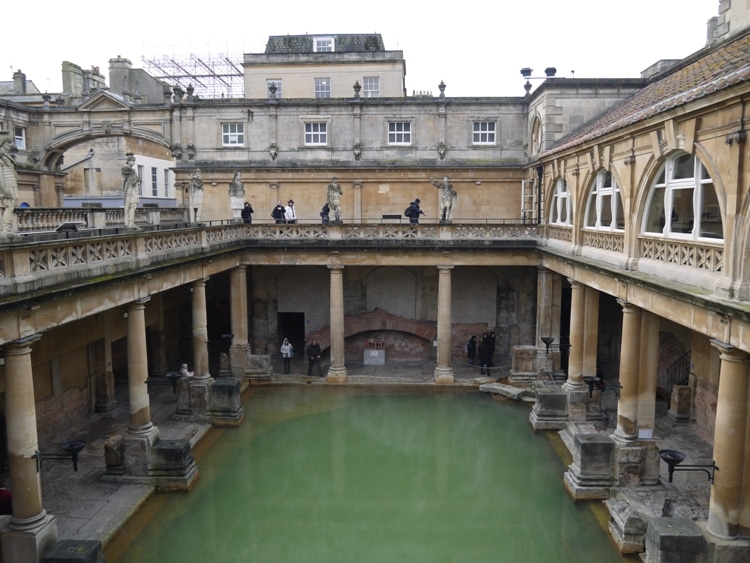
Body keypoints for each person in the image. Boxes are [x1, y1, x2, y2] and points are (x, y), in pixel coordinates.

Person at [0, 131, 19, 238]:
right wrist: (3, 189)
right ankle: (6, 228)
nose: (10, 145)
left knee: (7, 206)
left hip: (11, 183)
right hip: (5, 184)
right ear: (2, 142)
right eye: (8, 143)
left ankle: (4, 229)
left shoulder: (5, 156)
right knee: (8, 206)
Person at [121, 152, 141, 230]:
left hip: (134, 190)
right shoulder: (125, 169)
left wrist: (137, 180)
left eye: (134, 161)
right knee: (130, 206)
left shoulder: (132, 170)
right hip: (129, 190)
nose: (133, 162)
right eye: (132, 161)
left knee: (133, 206)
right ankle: (129, 223)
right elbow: (127, 180)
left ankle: (131, 222)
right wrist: (135, 180)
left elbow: (134, 180)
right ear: (128, 161)